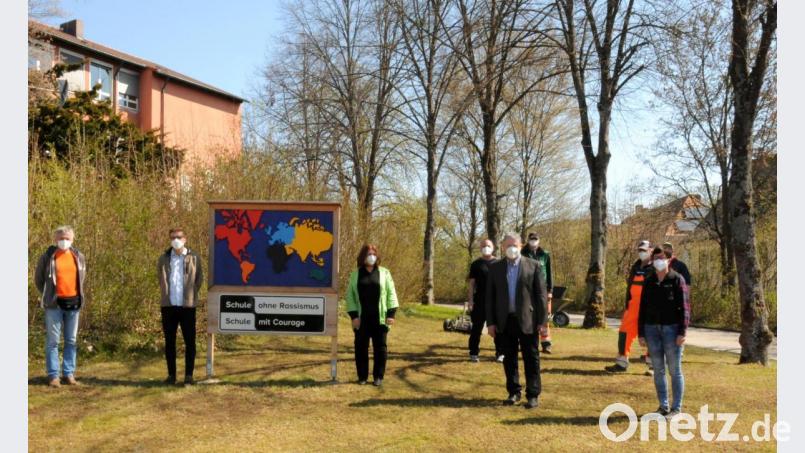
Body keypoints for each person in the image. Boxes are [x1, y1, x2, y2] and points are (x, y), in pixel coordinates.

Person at [486, 233, 548, 410]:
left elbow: (541, 295)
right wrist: (490, 323)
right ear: (502, 247)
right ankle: (513, 392)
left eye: (515, 245)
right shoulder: (495, 268)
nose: (511, 248)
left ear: (521, 246)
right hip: (505, 321)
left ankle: (533, 394)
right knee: (509, 358)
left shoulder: (533, 265)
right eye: (508, 245)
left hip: (528, 320)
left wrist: (542, 321)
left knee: (531, 358)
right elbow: (490, 298)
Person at [638, 247, 690, 418]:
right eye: (656, 258)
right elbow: (642, 308)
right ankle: (663, 406)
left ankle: (676, 408)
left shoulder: (677, 279)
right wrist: (641, 333)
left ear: (669, 259)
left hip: (672, 330)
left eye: (662, 258)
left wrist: (682, 332)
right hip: (651, 329)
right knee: (658, 370)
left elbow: (685, 308)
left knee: (675, 370)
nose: (659, 261)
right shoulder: (649, 281)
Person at [35, 225, 87, 388]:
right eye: (61, 238)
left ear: (72, 239)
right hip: (54, 305)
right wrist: (48, 294)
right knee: (53, 341)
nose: (64, 241)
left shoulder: (78, 256)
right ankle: (53, 375)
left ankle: (68, 373)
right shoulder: (47, 257)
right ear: (55, 239)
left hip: (74, 304)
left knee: (71, 340)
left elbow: (82, 278)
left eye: (67, 238)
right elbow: (38, 279)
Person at [346, 244, 399, 386]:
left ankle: (378, 377)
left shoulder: (385, 273)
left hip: (380, 318)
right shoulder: (355, 274)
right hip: (361, 319)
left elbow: (391, 294)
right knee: (360, 347)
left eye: (374, 254)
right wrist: (354, 316)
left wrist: (391, 314)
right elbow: (350, 296)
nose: (371, 257)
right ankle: (362, 376)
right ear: (363, 256)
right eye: (369, 254)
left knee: (380, 348)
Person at [157, 228, 204, 385]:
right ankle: (171, 375)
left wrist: (191, 294)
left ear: (185, 239)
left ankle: (189, 376)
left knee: (190, 342)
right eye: (172, 237)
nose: (175, 240)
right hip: (168, 306)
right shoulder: (164, 258)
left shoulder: (194, 257)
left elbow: (199, 279)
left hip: (187, 307)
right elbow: (160, 278)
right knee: (169, 342)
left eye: (178, 237)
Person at [605, 240, 654, 374]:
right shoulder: (635, 266)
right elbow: (630, 287)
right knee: (624, 333)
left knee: (651, 335)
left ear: (651, 250)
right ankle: (621, 363)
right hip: (632, 306)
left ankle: (653, 367)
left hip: (649, 308)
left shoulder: (655, 267)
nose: (641, 252)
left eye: (644, 250)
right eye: (640, 250)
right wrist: (627, 303)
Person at [467, 239, 504, 363]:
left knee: (498, 329)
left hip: (496, 302)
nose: (486, 248)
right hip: (480, 301)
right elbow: (471, 284)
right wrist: (470, 301)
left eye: (488, 245)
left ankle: (500, 353)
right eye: (483, 246)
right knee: (476, 328)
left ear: (493, 247)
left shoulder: (500, 263)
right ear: (480, 248)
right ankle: (473, 353)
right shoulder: (476, 264)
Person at [521, 232, 553, 353]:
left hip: (542, 289)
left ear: (539, 240)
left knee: (544, 316)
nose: (533, 241)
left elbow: (549, 273)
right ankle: (524, 342)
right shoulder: (522, 253)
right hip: (527, 289)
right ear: (528, 240)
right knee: (526, 315)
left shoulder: (545, 254)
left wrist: (550, 290)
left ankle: (546, 343)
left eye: (535, 239)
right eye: (531, 239)